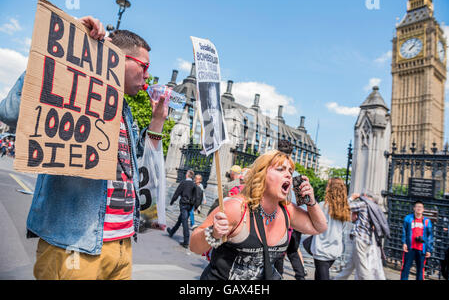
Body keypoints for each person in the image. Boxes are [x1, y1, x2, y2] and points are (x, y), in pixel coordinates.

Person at [0, 18, 169, 280]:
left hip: (122, 245)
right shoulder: (74, 94)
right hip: (76, 247)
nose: (147, 76)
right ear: (118, 58)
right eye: (144, 66)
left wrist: (157, 120)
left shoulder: (125, 112)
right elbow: (9, 112)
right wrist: (72, 49)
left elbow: (138, 166)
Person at [190, 149, 327, 280]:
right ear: (261, 175)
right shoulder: (236, 207)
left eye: (290, 171)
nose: (288, 175)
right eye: (280, 169)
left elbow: (319, 227)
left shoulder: (287, 210)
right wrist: (213, 233)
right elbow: (194, 247)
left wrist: (311, 202)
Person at [273, 140, 307, 280]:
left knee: (278, 253)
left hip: (278, 219)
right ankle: (300, 276)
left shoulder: (273, 172)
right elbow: (303, 204)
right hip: (294, 221)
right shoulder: (297, 176)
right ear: (292, 154)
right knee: (293, 251)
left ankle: (278, 276)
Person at [334, 192, 386, 280]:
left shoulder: (364, 204)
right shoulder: (374, 207)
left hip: (360, 239)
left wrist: (352, 197)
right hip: (366, 239)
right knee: (349, 266)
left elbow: (344, 207)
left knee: (363, 270)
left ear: (367, 196)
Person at [310, 178, 351, 280]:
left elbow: (313, 224)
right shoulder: (345, 209)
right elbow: (343, 228)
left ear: (329, 189)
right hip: (335, 250)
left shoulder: (321, 206)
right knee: (319, 275)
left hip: (321, 250)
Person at [400, 200, 434, 280]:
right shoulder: (408, 218)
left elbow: (430, 237)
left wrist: (429, 250)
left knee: (420, 270)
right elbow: (404, 231)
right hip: (410, 247)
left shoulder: (427, 221)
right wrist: (404, 243)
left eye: (420, 207)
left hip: (421, 249)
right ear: (414, 208)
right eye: (417, 206)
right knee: (405, 268)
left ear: (423, 209)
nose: (419, 208)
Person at [167, 169, 197, 248]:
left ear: (187, 175)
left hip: (184, 204)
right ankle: (172, 231)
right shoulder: (194, 185)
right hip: (189, 205)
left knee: (184, 222)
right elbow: (196, 196)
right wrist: (195, 206)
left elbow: (177, 192)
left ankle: (186, 241)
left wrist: (172, 201)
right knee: (180, 219)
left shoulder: (183, 183)